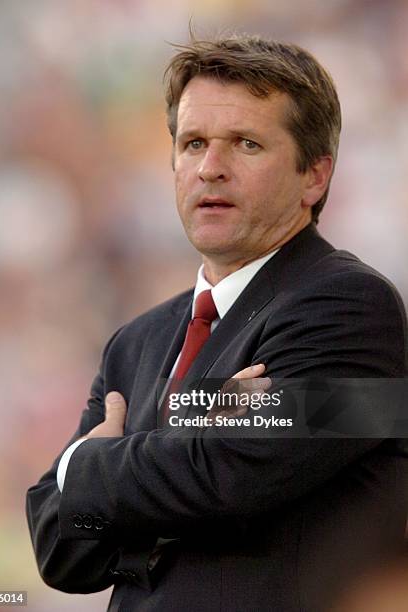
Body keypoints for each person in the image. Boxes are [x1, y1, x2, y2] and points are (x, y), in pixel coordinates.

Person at [26, 34, 408, 612]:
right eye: (193, 143)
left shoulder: (352, 308)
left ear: (315, 176)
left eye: (246, 144)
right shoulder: (136, 343)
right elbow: (60, 548)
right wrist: (204, 423)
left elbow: (226, 475)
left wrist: (86, 464)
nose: (210, 168)